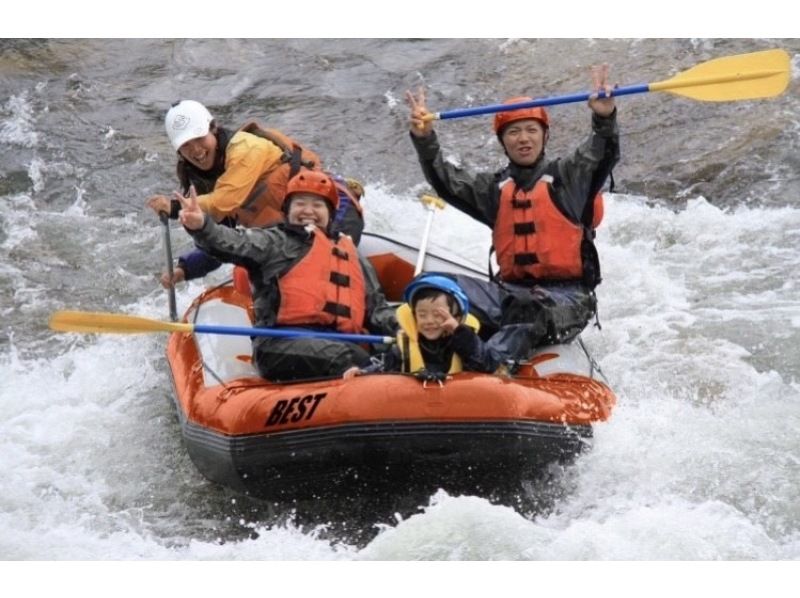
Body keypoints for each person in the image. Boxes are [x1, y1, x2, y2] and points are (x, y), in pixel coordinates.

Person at [405, 65, 620, 368]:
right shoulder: (495, 190)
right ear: (503, 141)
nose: (523, 139)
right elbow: (446, 181)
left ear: (544, 136)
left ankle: (488, 361)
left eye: (531, 130)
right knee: (432, 286)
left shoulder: (569, 178)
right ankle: (429, 358)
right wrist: (425, 139)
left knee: (528, 309)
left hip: (567, 300)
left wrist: (604, 117)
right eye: (514, 132)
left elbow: (602, 152)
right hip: (508, 294)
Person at [176, 169, 396, 382]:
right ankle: (365, 378)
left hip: (345, 342)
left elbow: (377, 310)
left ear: (330, 214)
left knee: (395, 354)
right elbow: (232, 242)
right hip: (281, 344)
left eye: (317, 205)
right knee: (347, 356)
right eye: (300, 204)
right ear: (287, 212)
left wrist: (405, 327)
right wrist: (202, 226)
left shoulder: (352, 254)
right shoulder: (274, 242)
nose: (308, 210)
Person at [146, 99, 364, 287]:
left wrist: (175, 207)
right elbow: (223, 239)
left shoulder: (245, 148)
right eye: (186, 145)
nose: (195, 150)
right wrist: (186, 269)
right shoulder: (204, 181)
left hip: (337, 213)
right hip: (292, 234)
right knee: (246, 277)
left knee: (304, 273)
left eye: (199, 138)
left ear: (213, 128)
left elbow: (224, 201)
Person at [343, 273, 498, 380]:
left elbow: (486, 365)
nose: (428, 321)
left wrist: (459, 332)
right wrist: (363, 372)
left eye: (438, 315)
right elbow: (383, 365)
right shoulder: (403, 347)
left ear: (456, 316)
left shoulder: (467, 342)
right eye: (422, 315)